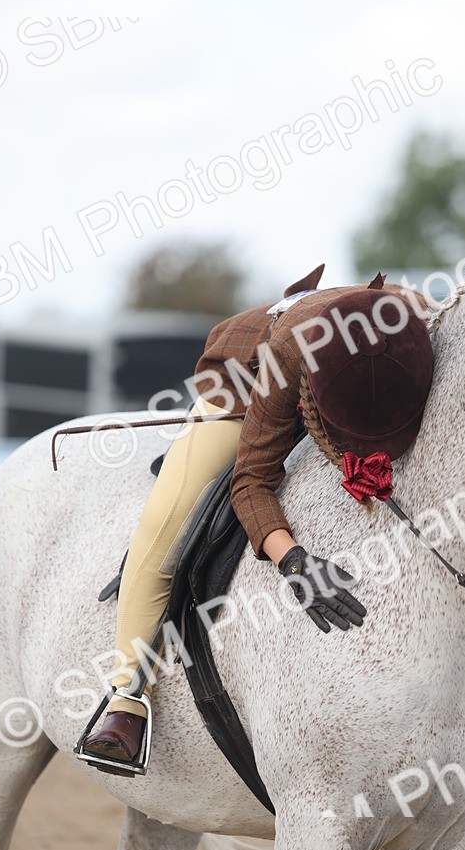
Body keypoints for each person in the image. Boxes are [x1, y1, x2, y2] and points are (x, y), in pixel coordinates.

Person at [81, 264, 433, 768]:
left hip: (351, 369)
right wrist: (293, 561)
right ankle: (126, 697)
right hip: (243, 382)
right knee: (164, 529)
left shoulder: (421, 322)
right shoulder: (287, 357)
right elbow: (251, 481)